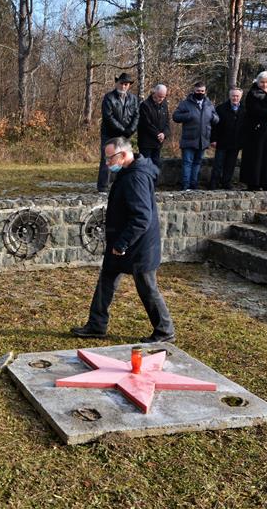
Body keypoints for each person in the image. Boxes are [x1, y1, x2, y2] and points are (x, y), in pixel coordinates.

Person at [71, 137, 176, 344]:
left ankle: (165, 331)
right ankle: (96, 324)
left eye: (110, 159)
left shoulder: (135, 178)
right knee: (107, 280)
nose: (108, 163)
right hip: (122, 242)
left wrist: (122, 243)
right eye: (107, 159)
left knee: (147, 288)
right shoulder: (129, 172)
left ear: (124, 155)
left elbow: (141, 217)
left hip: (138, 246)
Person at [172, 81, 219, 190]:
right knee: (187, 163)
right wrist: (188, 115)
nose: (200, 93)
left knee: (197, 163)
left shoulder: (208, 104)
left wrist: (213, 117)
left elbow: (217, 118)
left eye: (202, 91)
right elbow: (175, 116)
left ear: (205, 91)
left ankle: (194, 186)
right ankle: (185, 186)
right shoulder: (185, 103)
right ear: (194, 91)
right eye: (198, 91)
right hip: (189, 139)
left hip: (203, 140)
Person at [240, 71, 267, 191]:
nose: (265, 85)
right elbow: (254, 110)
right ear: (258, 82)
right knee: (255, 157)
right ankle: (253, 183)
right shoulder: (252, 94)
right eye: (262, 82)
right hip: (256, 130)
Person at [98, 72, 139, 192]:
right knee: (107, 160)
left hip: (125, 135)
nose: (124, 86)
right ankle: (103, 188)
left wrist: (131, 130)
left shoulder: (133, 99)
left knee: (124, 160)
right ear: (117, 83)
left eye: (126, 84)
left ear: (129, 85)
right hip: (109, 134)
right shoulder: (108, 97)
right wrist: (122, 130)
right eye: (121, 83)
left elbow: (137, 115)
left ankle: (121, 185)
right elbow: (108, 117)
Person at [209, 88, 244, 189]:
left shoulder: (244, 110)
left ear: (240, 97)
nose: (235, 98)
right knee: (218, 164)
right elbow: (214, 126)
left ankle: (226, 183)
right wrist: (213, 139)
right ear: (230, 96)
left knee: (230, 165)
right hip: (222, 141)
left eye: (237, 96)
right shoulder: (220, 108)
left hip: (235, 143)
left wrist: (243, 142)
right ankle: (213, 183)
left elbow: (245, 128)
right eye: (233, 96)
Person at [137, 84, 171, 172]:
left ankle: (153, 185)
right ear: (154, 93)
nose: (161, 99)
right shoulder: (145, 105)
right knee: (145, 168)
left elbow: (167, 123)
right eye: (159, 96)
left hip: (158, 143)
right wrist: (157, 134)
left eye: (163, 97)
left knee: (155, 168)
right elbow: (146, 124)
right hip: (146, 143)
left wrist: (164, 134)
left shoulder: (164, 105)